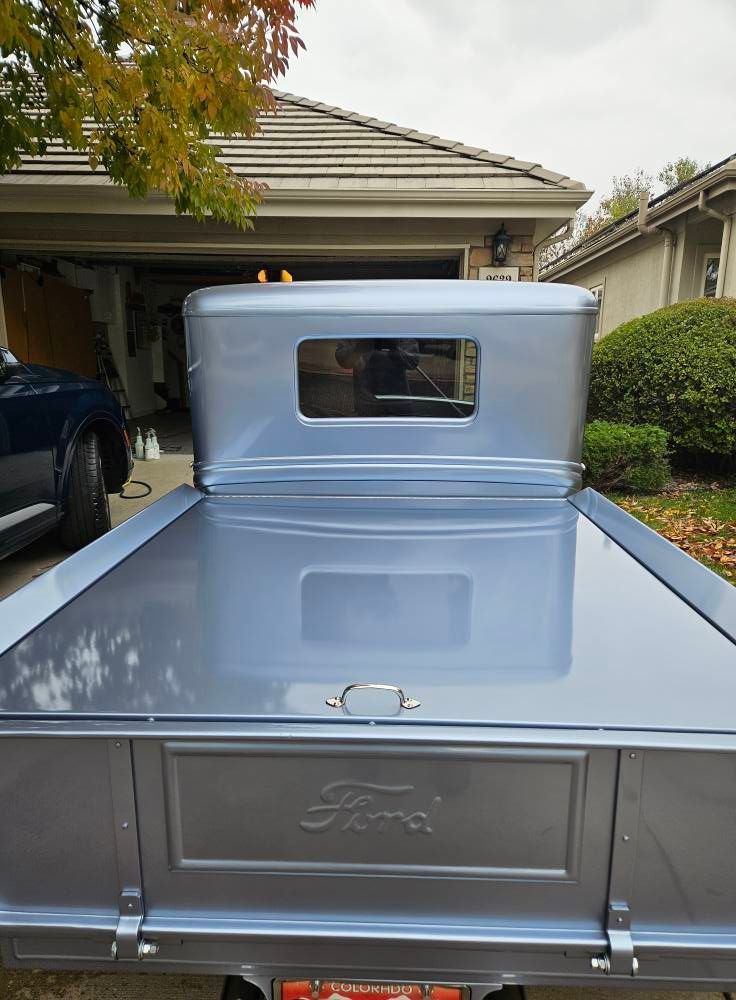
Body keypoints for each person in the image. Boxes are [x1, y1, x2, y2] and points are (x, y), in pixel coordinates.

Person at [335, 339, 420, 416]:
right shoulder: (356, 330)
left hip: (398, 399)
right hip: (367, 399)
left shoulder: (398, 330)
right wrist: (359, 348)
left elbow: (413, 361)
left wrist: (393, 345)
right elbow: (342, 360)